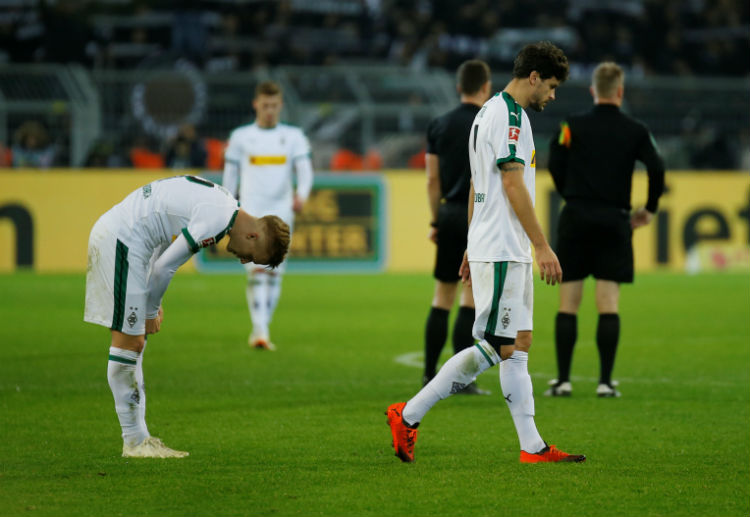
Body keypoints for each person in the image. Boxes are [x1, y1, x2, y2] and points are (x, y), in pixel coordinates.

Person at [386, 41, 586, 464]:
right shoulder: (511, 119)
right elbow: (511, 184)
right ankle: (409, 413)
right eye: (550, 86)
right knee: (498, 345)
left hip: (495, 244)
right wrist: (542, 245)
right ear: (533, 77)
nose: (552, 95)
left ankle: (532, 447)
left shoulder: (487, 113)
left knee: (520, 342)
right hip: (503, 248)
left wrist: (470, 242)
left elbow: (479, 184)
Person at [84, 174, 290, 458]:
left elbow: (160, 225)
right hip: (123, 241)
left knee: (135, 343)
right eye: (252, 256)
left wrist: (149, 295)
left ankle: (138, 438)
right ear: (253, 235)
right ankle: (134, 441)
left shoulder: (224, 203)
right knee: (129, 343)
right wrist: (150, 310)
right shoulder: (218, 219)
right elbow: (164, 268)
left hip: (129, 240)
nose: (244, 261)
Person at [545, 62, 666, 398]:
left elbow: (553, 157)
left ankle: (564, 380)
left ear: (592, 91)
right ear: (621, 91)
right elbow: (656, 166)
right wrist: (650, 207)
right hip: (615, 219)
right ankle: (605, 382)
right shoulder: (636, 129)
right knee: (608, 302)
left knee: (568, 302)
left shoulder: (572, 125)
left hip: (577, 216)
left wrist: (569, 190)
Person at [222, 80, 314, 351]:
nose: (270, 110)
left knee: (274, 271)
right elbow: (231, 173)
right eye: (265, 105)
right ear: (256, 105)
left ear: (280, 106)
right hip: (251, 209)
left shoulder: (293, 136)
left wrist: (303, 195)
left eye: (274, 105)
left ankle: (262, 328)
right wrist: (229, 203)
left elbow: (305, 170)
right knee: (257, 270)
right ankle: (260, 328)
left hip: (283, 210)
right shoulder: (241, 137)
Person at [422, 59, 492, 395]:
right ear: (486, 88)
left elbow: (432, 179)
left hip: (449, 214)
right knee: (471, 298)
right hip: (478, 214)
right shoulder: (488, 123)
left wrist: (437, 219)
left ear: (457, 87)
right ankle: (461, 380)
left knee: (442, 296)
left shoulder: (439, 124)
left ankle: (428, 372)